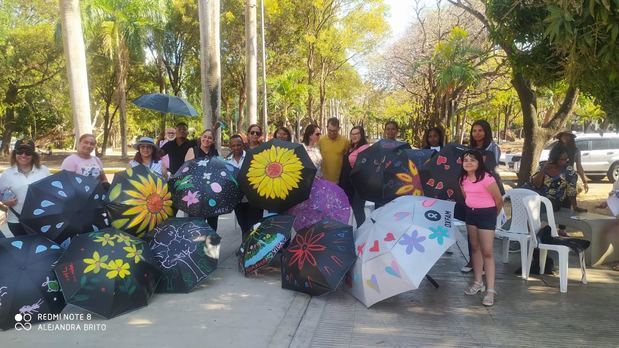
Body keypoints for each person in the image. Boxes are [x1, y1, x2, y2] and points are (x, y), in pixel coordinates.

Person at [460, 149, 503, 307]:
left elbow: (498, 200)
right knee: (475, 248)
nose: (469, 162)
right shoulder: (463, 178)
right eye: (466, 160)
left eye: (473, 160)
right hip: (471, 214)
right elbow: (466, 197)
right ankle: (478, 282)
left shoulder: (487, 178)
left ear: (479, 163)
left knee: (487, 252)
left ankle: (490, 290)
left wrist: (492, 216)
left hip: (487, 215)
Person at [461, 120, 504, 272]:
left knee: (485, 233)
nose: (477, 133)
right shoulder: (469, 149)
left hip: (488, 190)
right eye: (474, 131)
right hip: (472, 191)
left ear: (486, 131)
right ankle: (472, 261)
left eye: (480, 130)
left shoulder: (493, 148)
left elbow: (492, 167)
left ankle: (486, 264)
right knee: (471, 231)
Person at [528, 143, 585, 232]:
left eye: (566, 159)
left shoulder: (568, 171)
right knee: (526, 204)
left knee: (534, 208)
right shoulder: (543, 165)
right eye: (562, 159)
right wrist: (544, 170)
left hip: (554, 202)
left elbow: (571, 192)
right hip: (538, 198)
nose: (564, 162)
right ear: (554, 158)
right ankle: (523, 230)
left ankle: (533, 232)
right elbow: (536, 184)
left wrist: (575, 206)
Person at [0, 140, 51, 237]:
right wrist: (5, 202)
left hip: (41, 218)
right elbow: (1, 196)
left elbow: (51, 190)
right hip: (16, 221)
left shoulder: (43, 170)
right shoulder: (7, 174)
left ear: (33, 155)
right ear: (15, 153)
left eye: (28, 152)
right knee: (24, 249)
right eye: (20, 151)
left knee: (41, 247)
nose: (23, 155)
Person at [226, 135, 262, 240]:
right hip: (237, 200)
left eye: (238, 145)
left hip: (253, 198)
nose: (236, 148)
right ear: (230, 146)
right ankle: (246, 249)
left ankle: (253, 251)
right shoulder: (227, 161)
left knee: (254, 226)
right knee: (243, 226)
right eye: (233, 145)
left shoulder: (252, 157)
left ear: (243, 145)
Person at [184, 129, 219, 231]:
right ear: (201, 137)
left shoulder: (215, 152)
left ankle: (211, 246)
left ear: (213, 141)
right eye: (205, 136)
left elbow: (218, 170)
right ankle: (198, 246)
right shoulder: (193, 150)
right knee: (196, 225)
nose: (206, 139)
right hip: (195, 193)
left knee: (212, 224)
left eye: (209, 138)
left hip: (211, 193)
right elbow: (186, 170)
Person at [339, 126, 370, 227]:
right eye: (352, 134)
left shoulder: (365, 148)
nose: (354, 136)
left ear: (361, 135)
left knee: (358, 208)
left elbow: (365, 165)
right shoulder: (351, 147)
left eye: (357, 134)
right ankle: (360, 229)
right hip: (350, 183)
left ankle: (362, 231)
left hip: (360, 184)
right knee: (354, 207)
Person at [555, 130, 588, 211]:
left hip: (569, 179)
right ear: (560, 137)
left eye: (568, 136)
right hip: (556, 178)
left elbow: (579, 166)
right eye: (563, 136)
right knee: (555, 203)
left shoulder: (576, 150)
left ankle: (564, 222)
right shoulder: (556, 149)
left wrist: (585, 182)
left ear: (571, 138)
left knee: (567, 203)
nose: (565, 138)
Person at [318, 117, 349, 183]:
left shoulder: (345, 141)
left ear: (339, 129)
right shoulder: (321, 140)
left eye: (334, 131)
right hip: (323, 179)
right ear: (327, 128)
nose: (332, 133)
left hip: (339, 180)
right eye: (330, 130)